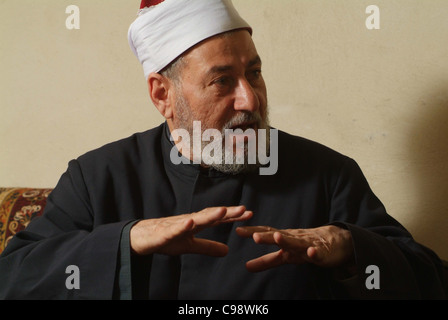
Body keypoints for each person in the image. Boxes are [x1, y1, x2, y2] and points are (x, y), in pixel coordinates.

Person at [0, 0, 446, 300]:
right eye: (222, 81)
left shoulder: (327, 174)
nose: (250, 100)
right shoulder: (98, 177)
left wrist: (350, 246)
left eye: (254, 73)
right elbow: (13, 278)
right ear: (162, 95)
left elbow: (431, 281)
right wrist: (126, 241)